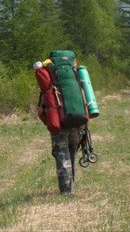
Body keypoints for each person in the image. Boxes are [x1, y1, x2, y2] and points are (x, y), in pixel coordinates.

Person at [33, 59, 85, 196]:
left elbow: (42, 111)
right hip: (78, 125)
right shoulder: (75, 81)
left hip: (59, 128)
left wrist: (46, 120)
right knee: (72, 155)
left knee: (63, 158)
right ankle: (71, 187)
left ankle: (67, 192)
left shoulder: (49, 85)